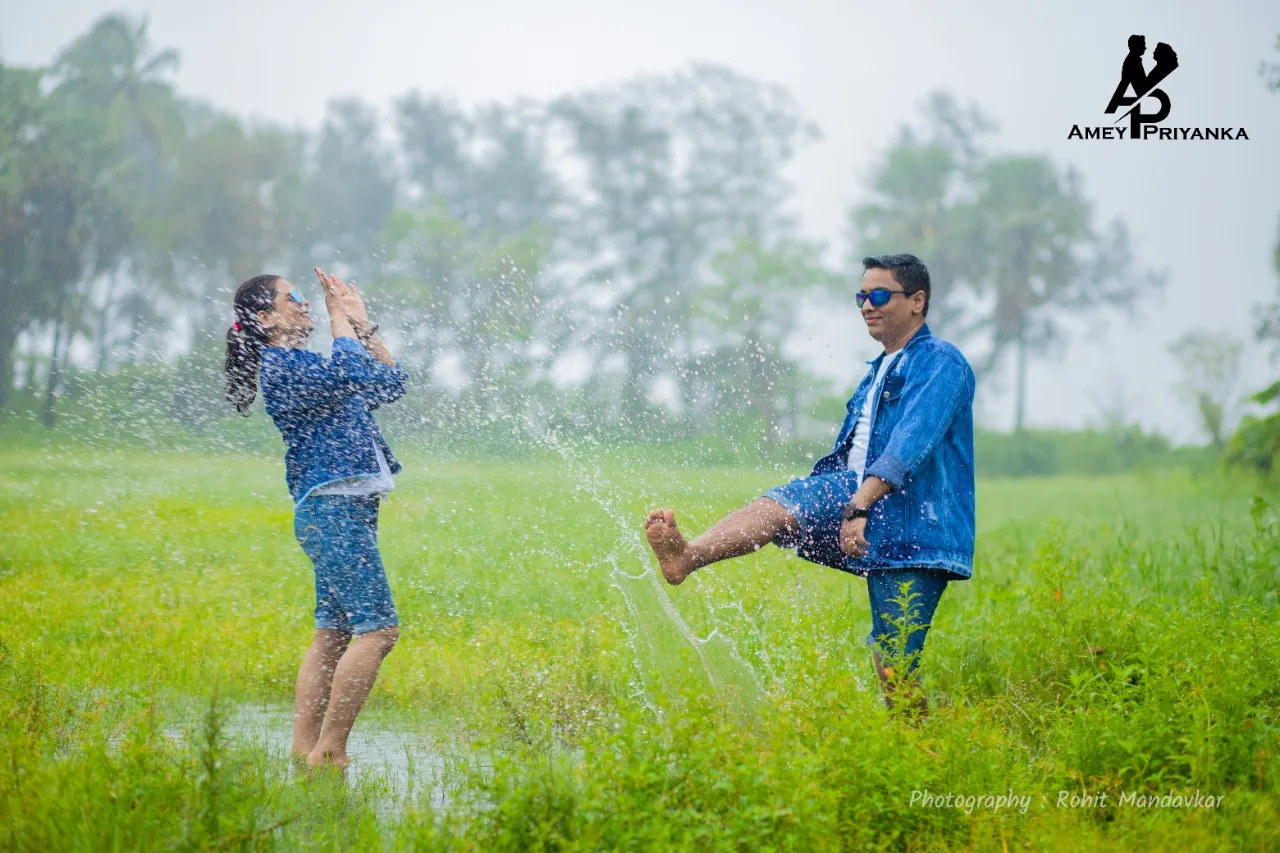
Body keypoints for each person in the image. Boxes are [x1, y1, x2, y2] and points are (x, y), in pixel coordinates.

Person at [644, 253, 976, 713]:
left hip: (915, 523)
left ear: (917, 301)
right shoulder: (875, 370)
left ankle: (919, 755)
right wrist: (849, 503)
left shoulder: (941, 363)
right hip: (849, 494)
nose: (866, 305)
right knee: (778, 508)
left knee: (894, 661)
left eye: (879, 295)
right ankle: (687, 555)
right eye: (861, 296)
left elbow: (910, 443)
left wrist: (860, 505)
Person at [223, 267, 407, 771]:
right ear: (265, 318)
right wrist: (337, 318)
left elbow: (390, 382)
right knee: (378, 631)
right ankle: (330, 750)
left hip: (345, 509)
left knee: (333, 632)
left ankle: (305, 748)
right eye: (293, 298)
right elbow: (350, 369)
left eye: (306, 298)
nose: (304, 304)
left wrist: (363, 325)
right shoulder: (282, 368)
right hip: (332, 510)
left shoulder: (309, 363)